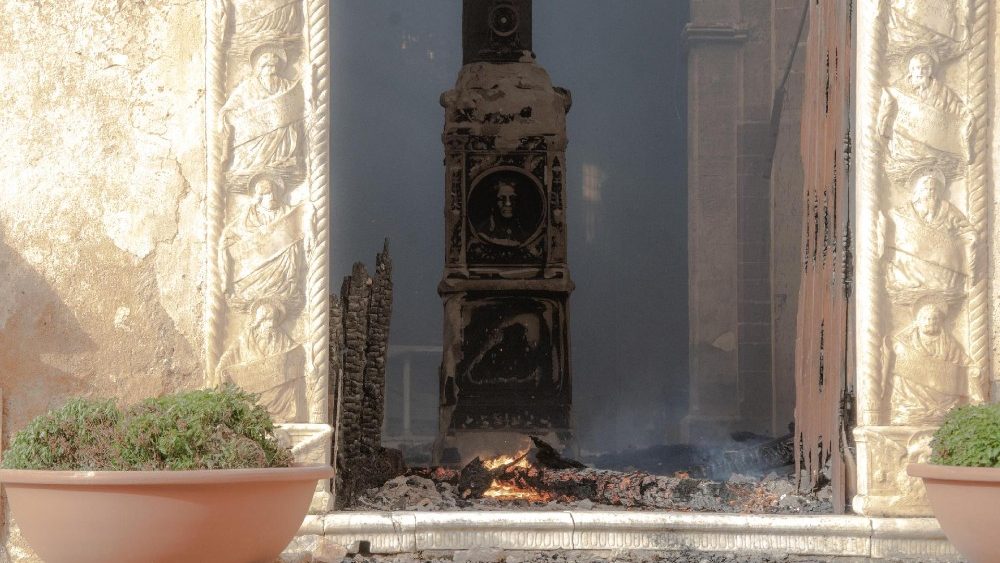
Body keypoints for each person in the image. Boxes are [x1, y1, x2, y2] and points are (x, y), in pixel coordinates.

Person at [876, 51, 974, 180]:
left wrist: (966, 120)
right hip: (904, 148)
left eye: (925, 68)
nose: (920, 72)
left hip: (935, 149)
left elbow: (959, 110)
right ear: (911, 70)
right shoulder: (898, 90)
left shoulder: (942, 91)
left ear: (930, 71)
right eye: (917, 68)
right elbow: (885, 115)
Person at [885, 168, 976, 303]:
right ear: (918, 192)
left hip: (945, 269)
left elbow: (967, 231)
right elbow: (891, 226)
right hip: (910, 267)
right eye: (926, 189)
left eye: (934, 189)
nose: (931, 192)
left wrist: (969, 240)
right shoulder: (901, 213)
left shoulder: (947, 209)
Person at [220, 173, 303, 305]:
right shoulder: (248, 216)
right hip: (253, 271)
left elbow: (297, 230)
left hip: (282, 271)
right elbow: (228, 237)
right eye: (267, 193)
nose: (272, 197)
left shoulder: (287, 213)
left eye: (274, 192)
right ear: (259, 196)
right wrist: (225, 278)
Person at [219, 45, 303, 174]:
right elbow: (229, 108)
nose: (271, 70)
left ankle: (280, 161)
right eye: (267, 67)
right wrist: (228, 117)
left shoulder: (284, 84)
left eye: (274, 67)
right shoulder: (248, 86)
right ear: (260, 68)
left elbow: (296, 97)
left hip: (281, 134)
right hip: (255, 134)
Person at [217, 300, 305, 421]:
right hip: (250, 382)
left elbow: (293, 351)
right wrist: (221, 365)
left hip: (277, 389)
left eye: (274, 320)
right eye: (267, 320)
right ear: (259, 321)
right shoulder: (246, 337)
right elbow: (230, 353)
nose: (271, 324)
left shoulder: (281, 337)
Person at [889, 303, 971, 425]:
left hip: (943, 386)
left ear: (940, 322)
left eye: (934, 318)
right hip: (913, 386)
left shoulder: (948, 342)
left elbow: (961, 358)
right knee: (900, 377)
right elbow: (895, 347)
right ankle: (912, 410)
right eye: (925, 318)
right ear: (917, 321)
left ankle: (942, 411)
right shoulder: (907, 340)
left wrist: (972, 367)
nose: (930, 321)